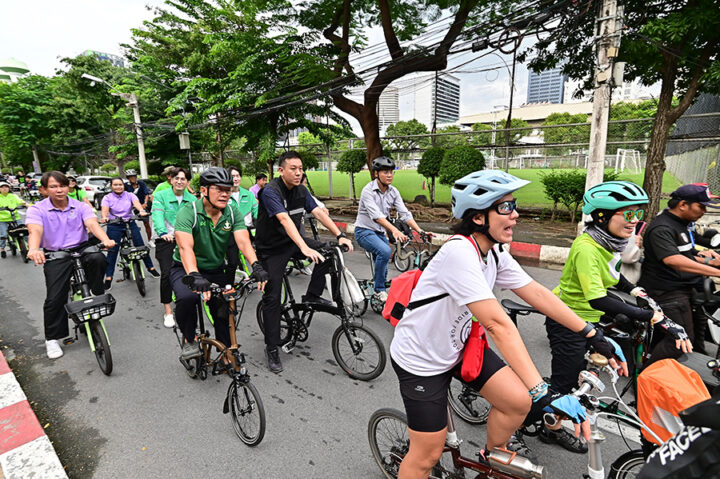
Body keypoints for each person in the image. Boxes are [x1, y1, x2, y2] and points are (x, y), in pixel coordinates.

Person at [389, 170, 627, 478]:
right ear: (478, 217)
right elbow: (497, 324)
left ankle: (491, 462)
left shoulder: (494, 252)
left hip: (459, 347)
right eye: (505, 207)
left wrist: (591, 333)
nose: (515, 215)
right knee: (427, 454)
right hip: (421, 360)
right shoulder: (460, 251)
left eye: (514, 206)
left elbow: (538, 294)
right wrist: (542, 390)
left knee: (517, 402)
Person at [544, 181, 692, 453]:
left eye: (637, 214)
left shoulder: (607, 242)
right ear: (601, 216)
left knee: (582, 372)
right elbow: (597, 298)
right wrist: (651, 317)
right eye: (627, 214)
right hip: (568, 320)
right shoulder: (587, 247)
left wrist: (635, 289)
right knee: (564, 388)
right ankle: (541, 427)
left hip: (588, 319)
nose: (634, 221)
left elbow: (612, 274)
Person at [255, 151, 353, 373]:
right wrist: (304, 247)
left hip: (292, 243)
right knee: (272, 298)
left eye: (300, 168)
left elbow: (318, 212)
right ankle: (272, 348)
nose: (298, 172)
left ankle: (312, 295)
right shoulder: (270, 192)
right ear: (281, 170)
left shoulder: (301, 190)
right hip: (271, 250)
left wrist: (339, 235)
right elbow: (284, 219)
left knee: (329, 251)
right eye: (293, 168)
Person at [171, 167, 268, 361]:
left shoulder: (232, 213)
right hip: (185, 267)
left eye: (228, 189)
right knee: (187, 299)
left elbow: (243, 241)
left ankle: (225, 350)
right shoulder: (189, 212)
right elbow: (185, 248)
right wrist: (194, 275)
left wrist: (256, 265)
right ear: (204, 190)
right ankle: (189, 338)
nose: (225, 194)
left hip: (215, 269)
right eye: (219, 189)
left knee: (224, 309)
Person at [26, 172, 116, 359]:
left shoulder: (80, 206)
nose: (59, 190)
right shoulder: (37, 209)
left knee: (98, 258)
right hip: (56, 253)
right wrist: (34, 249)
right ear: (44, 190)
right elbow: (35, 230)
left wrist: (106, 239)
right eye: (53, 186)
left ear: (69, 187)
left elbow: (92, 224)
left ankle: (96, 288)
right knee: (55, 297)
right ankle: (52, 338)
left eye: (62, 185)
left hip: (81, 247)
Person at [639, 183, 720, 359]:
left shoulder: (681, 224)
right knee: (678, 341)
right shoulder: (663, 228)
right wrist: (716, 272)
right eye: (701, 206)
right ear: (683, 205)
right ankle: (645, 380)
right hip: (666, 292)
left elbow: (686, 252)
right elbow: (673, 259)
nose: (704, 211)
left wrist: (708, 259)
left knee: (697, 334)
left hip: (683, 289)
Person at [354, 156, 424, 303]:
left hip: (379, 232)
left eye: (391, 172)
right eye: (385, 172)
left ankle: (376, 285)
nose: (390, 175)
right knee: (384, 251)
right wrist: (395, 231)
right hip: (364, 231)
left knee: (384, 258)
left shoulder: (393, 192)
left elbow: (404, 213)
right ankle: (379, 290)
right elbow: (377, 216)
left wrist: (420, 230)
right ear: (376, 174)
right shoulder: (368, 191)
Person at [151, 167, 195, 328]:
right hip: (167, 240)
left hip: (187, 239)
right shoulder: (161, 196)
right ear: (171, 180)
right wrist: (163, 232)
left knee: (192, 269)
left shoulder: (192, 199)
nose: (179, 181)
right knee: (167, 273)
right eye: (176, 178)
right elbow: (157, 215)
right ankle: (168, 310)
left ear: (187, 182)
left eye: (183, 179)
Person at [100, 177, 159, 290]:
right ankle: (108, 277)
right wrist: (104, 217)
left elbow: (137, 204)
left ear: (124, 185)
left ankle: (151, 268)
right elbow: (104, 210)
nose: (118, 187)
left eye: (120, 184)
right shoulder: (107, 198)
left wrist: (141, 211)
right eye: (115, 185)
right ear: (111, 186)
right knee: (112, 251)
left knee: (141, 246)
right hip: (114, 225)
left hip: (129, 223)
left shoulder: (129, 195)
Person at [125, 169, 153, 243]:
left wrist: (145, 203)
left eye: (134, 176)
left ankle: (150, 240)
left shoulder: (141, 183)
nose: (133, 178)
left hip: (141, 205)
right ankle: (130, 240)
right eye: (130, 177)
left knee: (146, 223)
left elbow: (146, 194)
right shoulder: (125, 186)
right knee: (129, 223)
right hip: (130, 206)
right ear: (128, 178)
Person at [0, 180, 26, 258]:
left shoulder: (13, 196)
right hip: (2, 220)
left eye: (6, 187)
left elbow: (20, 201)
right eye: (2, 187)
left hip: (15, 217)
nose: (4, 189)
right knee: (4, 234)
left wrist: (26, 204)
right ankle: (2, 249)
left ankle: (31, 248)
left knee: (24, 231)